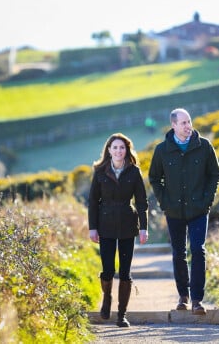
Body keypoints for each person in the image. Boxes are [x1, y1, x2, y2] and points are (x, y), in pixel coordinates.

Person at [148, 108, 219, 315]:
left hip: (199, 210)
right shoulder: (162, 150)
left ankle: (197, 300)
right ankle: (183, 296)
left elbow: (215, 174)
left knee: (198, 249)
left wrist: (207, 201)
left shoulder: (204, 146)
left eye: (189, 122)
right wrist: (165, 202)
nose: (188, 126)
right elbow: (154, 178)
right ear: (173, 125)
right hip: (174, 212)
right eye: (183, 123)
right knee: (178, 253)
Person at [88, 133, 149, 328]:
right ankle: (107, 297)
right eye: (115, 147)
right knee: (108, 270)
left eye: (122, 147)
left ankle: (121, 315)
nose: (118, 151)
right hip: (105, 225)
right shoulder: (99, 172)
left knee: (125, 271)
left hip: (127, 226)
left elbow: (141, 202)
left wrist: (144, 227)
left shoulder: (134, 172)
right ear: (108, 150)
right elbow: (92, 202)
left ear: (127, 150)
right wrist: (93, 227)